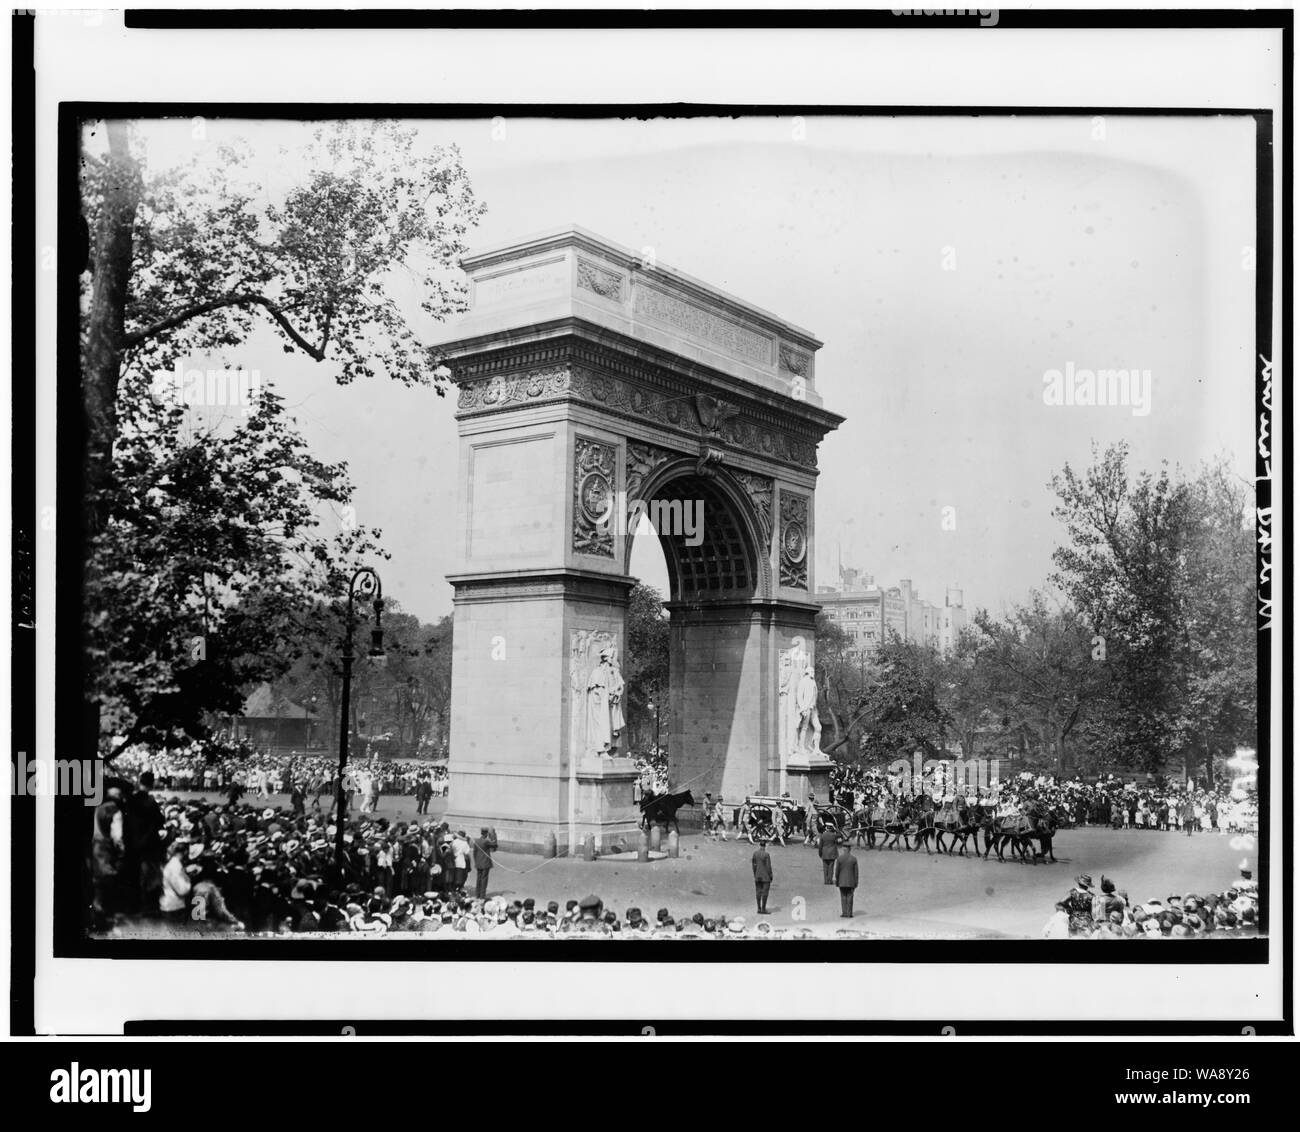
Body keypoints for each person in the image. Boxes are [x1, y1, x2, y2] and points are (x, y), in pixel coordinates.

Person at [834, 841, 859, 918]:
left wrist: (837, 881)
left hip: (842, 881)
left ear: (844, 849)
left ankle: (844, 913)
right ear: (850, 849)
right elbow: (856, 872)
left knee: (843, 897)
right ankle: (849, 913)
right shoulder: (854, 859)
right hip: (851, 882)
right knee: (850, 897)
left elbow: (837, 871)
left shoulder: (839, 859)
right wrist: (856, 882)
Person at [472, 827, 498, 899]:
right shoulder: (486, 841)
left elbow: (474, 853)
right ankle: (482, 896)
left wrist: (476, 862)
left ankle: (477, 895)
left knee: (478, 879)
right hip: (485, 863)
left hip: (478, 863)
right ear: (486, 833)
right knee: (484, 880)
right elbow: (495, 844)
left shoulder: (476, 841)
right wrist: (494, 834)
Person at [751, 837, 773, 914]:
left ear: (759, 845)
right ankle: (763, 909)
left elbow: (753, 865)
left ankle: (758, 908)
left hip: (757, 875)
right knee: (765, 893)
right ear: (765, 846)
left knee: (758, 892)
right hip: (765, 876)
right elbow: (768, 867)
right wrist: (770, 875)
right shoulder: (766, 854)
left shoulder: (755, 853)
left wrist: (755, 874)